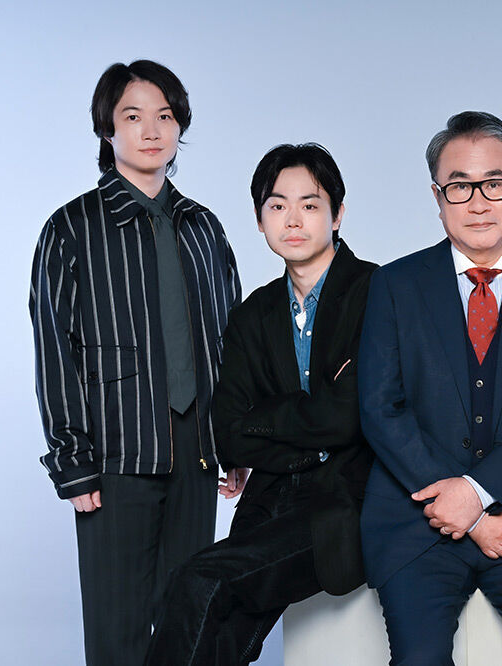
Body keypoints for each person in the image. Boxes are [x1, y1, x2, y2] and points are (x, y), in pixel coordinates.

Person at [358, 111, 502, 665]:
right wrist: (465, 507)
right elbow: (380, 408)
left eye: (495, 184)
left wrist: (481, 494)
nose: (479, 203)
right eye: (459, 186)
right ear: (437, 197)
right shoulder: (393, 285)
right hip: (418, 522)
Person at [28, 60, 242, 666]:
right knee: (117, 629)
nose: (152, 131)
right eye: (133, 116)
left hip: (197, 451)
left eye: (165, 116)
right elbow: (54, 347)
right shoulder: (71, 228)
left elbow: (230, 340)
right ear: (108, 129)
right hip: (114, 455)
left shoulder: (204, 228)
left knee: (188, 620)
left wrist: (235, 441)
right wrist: (72, 462)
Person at [145, 143, 377, 664]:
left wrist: (271, 422)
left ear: (337, 214)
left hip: (346, 499)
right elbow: (230, 432)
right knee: (217, 627)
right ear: (259, 220)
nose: (292, 219)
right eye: (277, 206)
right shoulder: (253, 313)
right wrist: (310, 424)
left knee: (202, 580)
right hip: (271, 497)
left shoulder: (376, 292)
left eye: (310, 205)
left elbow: (350, 417)